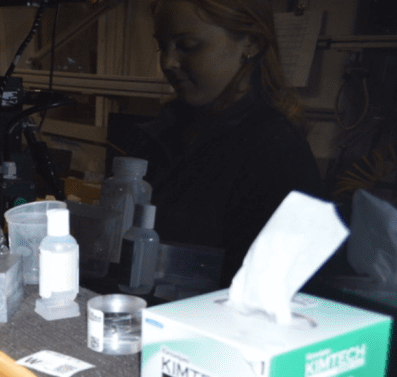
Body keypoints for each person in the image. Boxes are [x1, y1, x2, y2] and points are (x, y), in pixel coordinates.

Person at [122, 0, 323, 289]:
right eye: (162, 46)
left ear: (250, 43)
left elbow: (273, 291)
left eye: (188, 45)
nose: (168, 62)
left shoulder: (275, 152)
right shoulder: (163, 135)